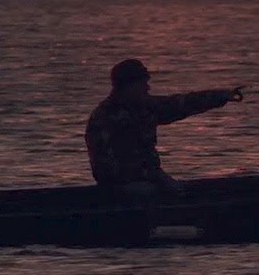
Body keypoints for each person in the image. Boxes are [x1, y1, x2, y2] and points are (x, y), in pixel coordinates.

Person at [85, 58, 242, 198]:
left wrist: (221, 96)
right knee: (161, 194)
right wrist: (158, 178)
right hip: (121, 189)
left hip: (150, 180)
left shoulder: (143, 108)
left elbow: (181, 104)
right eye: (142, 83)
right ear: (127, 86)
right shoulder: (104, 119)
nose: (147, 88)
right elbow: (107, 169)